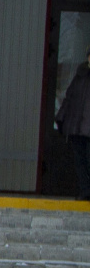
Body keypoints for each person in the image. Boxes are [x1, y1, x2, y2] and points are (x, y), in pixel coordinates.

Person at [57, 48, 90, 201]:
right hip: (77, 128)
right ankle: (85, 192)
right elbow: (69, 99)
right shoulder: (80, 76)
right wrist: (61, 119)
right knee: (80, 162)